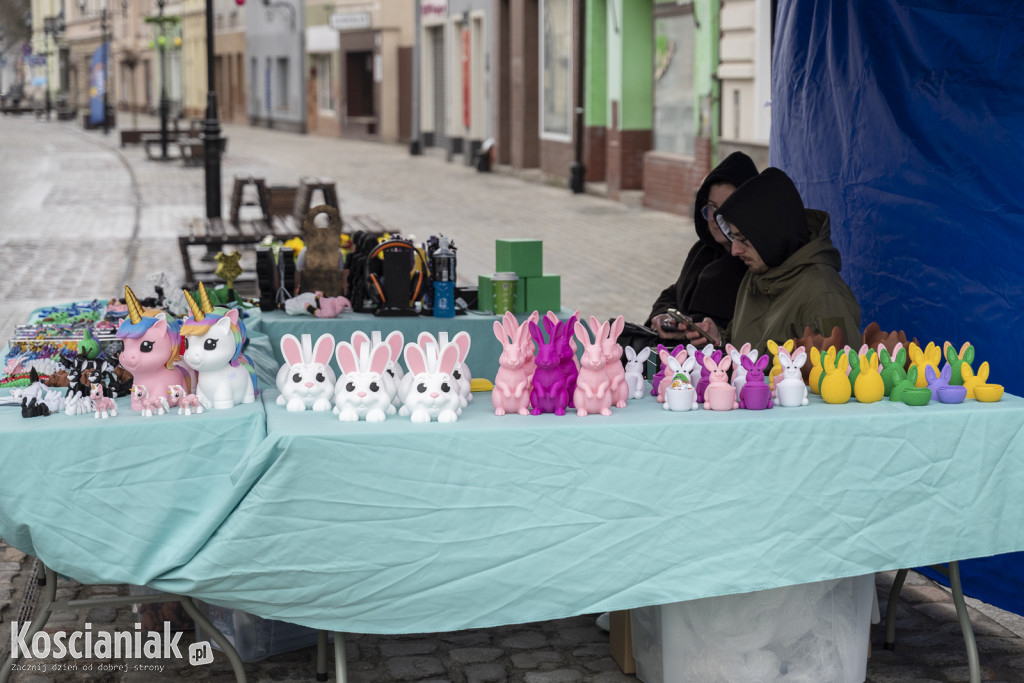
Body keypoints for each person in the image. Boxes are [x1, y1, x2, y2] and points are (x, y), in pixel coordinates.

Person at [693, 167, 861, 352]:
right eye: (733, 237)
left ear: (771, 234)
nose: (734, 250)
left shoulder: (824, 295)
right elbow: (748, 344)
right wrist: (720, 339)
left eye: (743, 238)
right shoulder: (757, 273)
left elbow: (841, 374)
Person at [645, 152, 759, 341]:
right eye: (712, 208)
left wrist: (700, 330)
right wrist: (662, 317)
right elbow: (673, 294)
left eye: (727, 208)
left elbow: (747, 329)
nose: (716, 218)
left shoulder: (752, 261)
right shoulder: (702, 251)